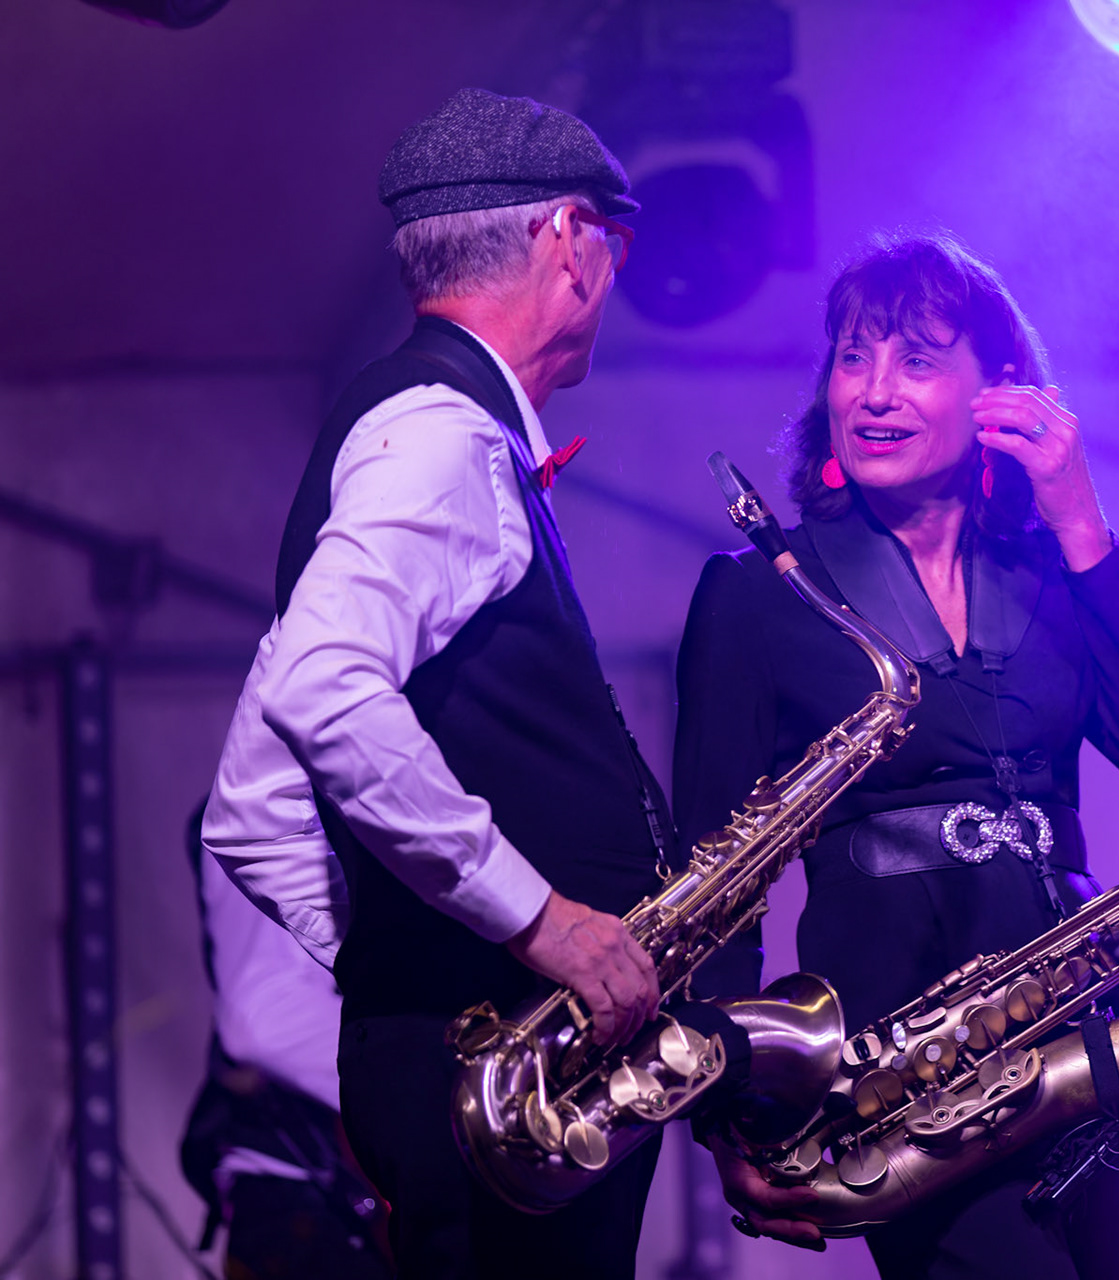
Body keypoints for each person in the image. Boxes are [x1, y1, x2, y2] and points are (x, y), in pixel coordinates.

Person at [672, 232, 1119, 1280]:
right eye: (852, 356)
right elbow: (713, 888)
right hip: (908, 1082)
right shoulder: (759, 590)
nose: (872, 392)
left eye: (915, 359)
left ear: (999, 394)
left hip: (1084, 1044)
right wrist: (730, 1112)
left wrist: (1079, 519)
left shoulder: (1052, 572)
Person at [202, 88, 670, 1279]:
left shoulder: (414, 421)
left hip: (492, 1062)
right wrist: (533, 921)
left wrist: (396, 957)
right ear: (569, 239)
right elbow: (321, 685)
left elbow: (246, 808)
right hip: (506, 1077)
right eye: (612, 245)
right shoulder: (441, 433)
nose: (609, 274)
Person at [180, 800, 392, 1280]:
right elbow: (263, 1014)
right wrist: (430, 1070)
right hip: (310, 1211)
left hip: (354, 1197)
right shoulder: (270, 800)